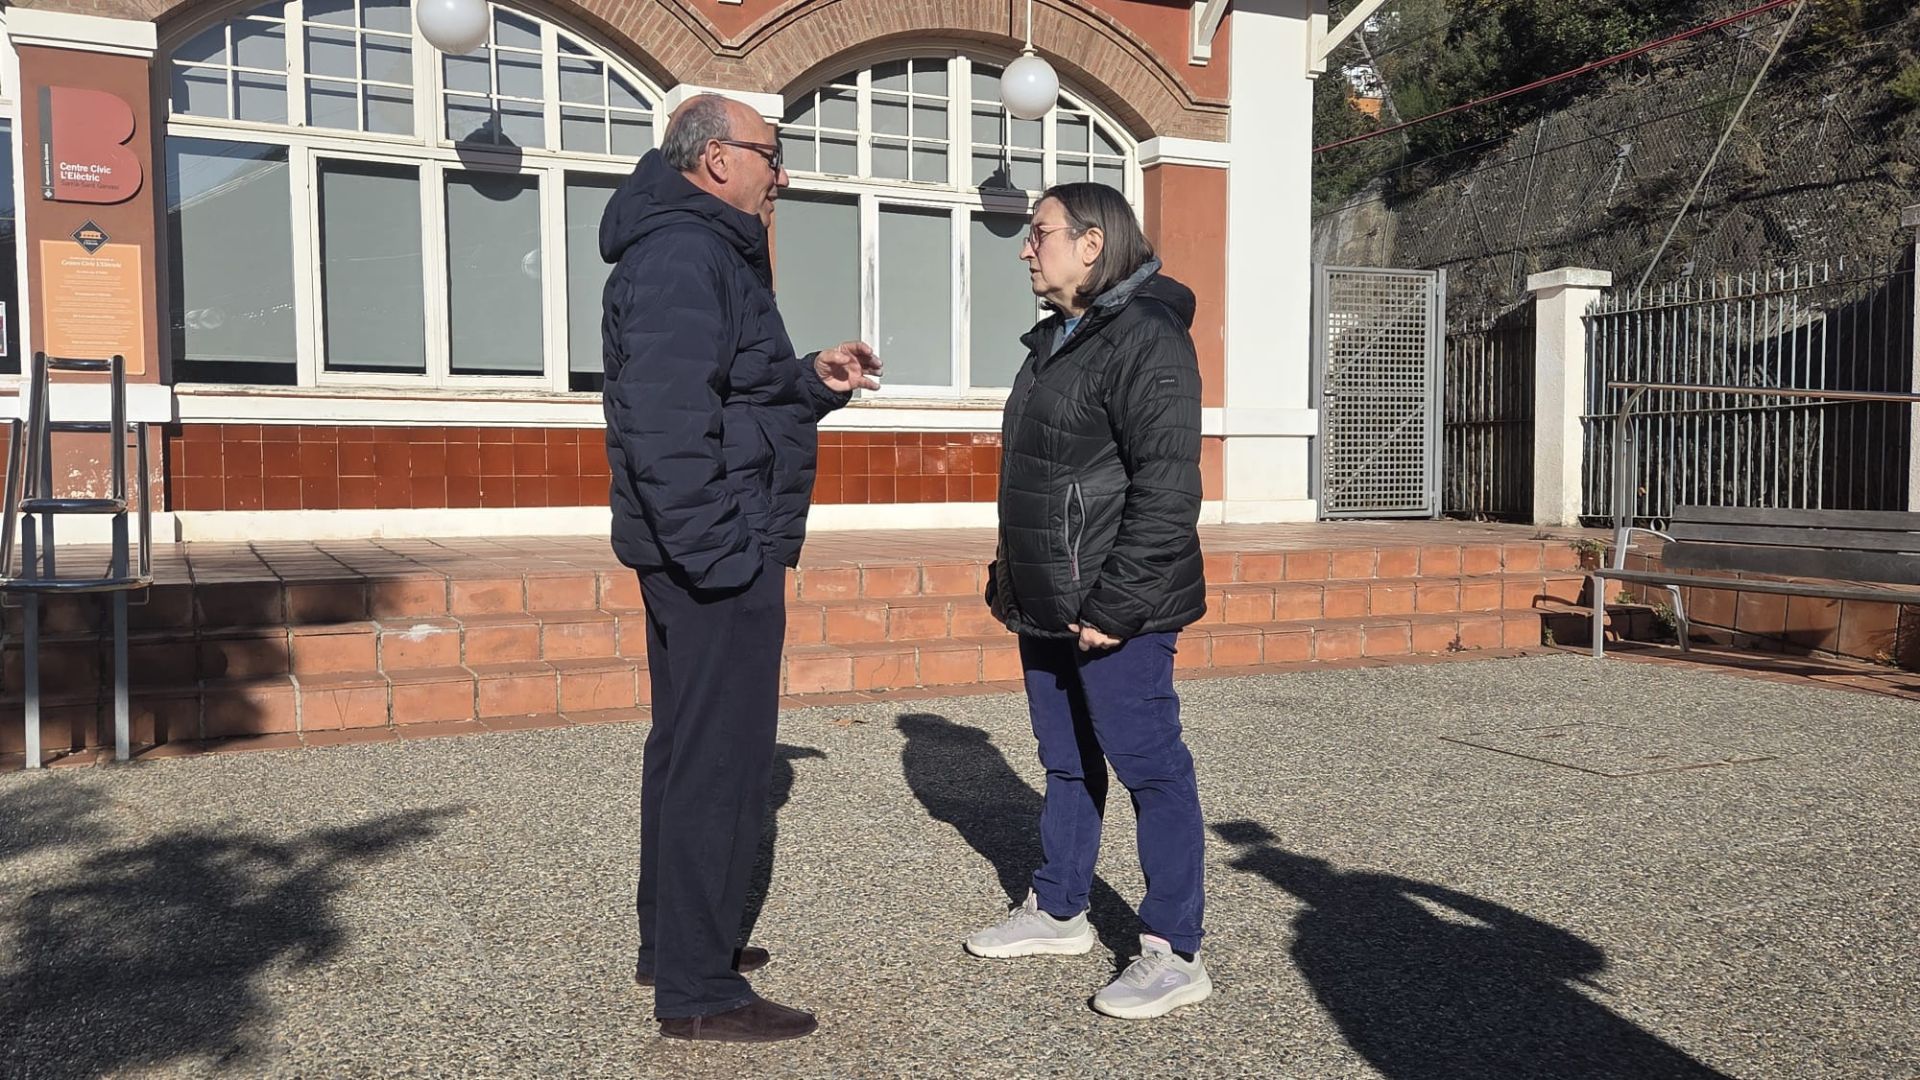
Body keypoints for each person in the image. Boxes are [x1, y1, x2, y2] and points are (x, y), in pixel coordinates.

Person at [599, 93, 881, 1043]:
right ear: (717, 158)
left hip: (710, 543)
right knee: (717, 763)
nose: (782, 171)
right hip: (715, 553)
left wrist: (811, 380)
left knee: (688, 751)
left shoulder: (706, 247)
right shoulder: (685, 253)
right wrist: (723, 551)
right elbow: (665, 428)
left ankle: (677, 942)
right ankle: (699, 989)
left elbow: (735, 393)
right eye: (772, 152)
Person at [966, 182, 1211, 1020]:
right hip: (1048, 600)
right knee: (1065, 760)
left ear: (1093, 244)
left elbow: (1168, 490)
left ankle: (1174, 951)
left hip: (1115, 605)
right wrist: (1013, 580)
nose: (1027, 248)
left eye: (1041, 233)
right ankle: (1060, 908)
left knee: (1150, 768)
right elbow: (1038, 479)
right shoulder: (1058, 340)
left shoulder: (1147, 340)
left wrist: (1117, 604)